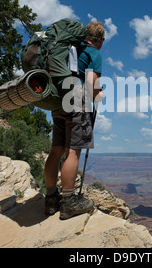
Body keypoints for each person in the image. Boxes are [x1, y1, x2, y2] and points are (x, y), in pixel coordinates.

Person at [43, 21, 105, 220]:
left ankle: (51, 198)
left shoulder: (71, 48)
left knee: (56, 150)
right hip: (78, 101)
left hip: (59, 101)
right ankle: (68, 202)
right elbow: (90, 82)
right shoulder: (93, 52)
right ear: (100, 39)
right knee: (73, 151)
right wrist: (99, 94)